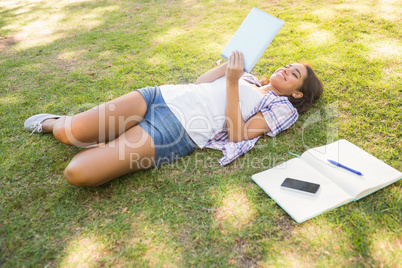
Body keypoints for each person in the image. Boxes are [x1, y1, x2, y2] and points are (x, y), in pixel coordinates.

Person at [24, 51, 323, 187]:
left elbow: (238, 133)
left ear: (297, 94)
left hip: (176, 130)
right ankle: (56, 122)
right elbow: (199, 83)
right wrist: (228, 68)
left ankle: (109, 140)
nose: (284, 70)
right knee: (68, 132)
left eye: (293, 74)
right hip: (160, 96)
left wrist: (232, 83)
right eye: (287, 65)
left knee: (77, 173)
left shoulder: (282, 108)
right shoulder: (248, 75)